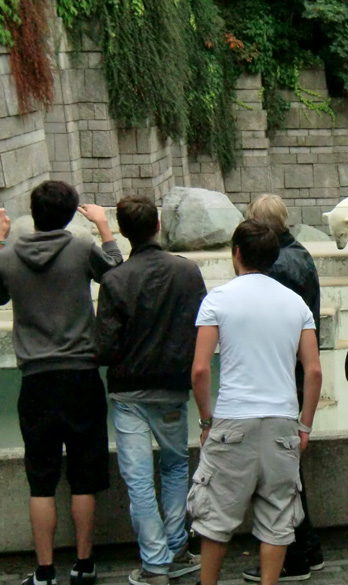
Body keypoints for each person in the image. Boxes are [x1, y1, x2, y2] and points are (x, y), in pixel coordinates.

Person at [0, 180, 123, 585]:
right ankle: (84, 565)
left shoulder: (8, 256)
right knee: (83, 475)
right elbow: (115, 276)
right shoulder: (80, 249)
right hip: (81, 375)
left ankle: (45, 571)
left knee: (41, 479)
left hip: (36, 380)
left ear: (32, 211)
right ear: (71, 212)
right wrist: (104, 228)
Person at [189, 219, 322, 585]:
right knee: (278, 519)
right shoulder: (295, 303)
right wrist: (305, 425)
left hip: (232, 420)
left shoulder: (218, 298)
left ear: (236, 254)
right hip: (282, 422)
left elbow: (200, 370)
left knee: (215, 518)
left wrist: (205, 421)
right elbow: (313, 372)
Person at [94, 196, 206, 585]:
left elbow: (105, 346)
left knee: (139, 478)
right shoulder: (189, 272)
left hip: (129, 392)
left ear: (123, 231)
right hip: (173, 387)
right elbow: (201, 331)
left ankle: (155, 562)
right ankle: (177, 549)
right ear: (159, 224)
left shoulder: (115, 279)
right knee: (176, 466)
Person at [242, 194, 323, 582]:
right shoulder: (301, 253)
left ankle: (294, 556)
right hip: (296, 371)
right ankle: (306, 548)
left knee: (281, 472)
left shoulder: (276, 267)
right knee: (288, 469)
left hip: (281, 375)